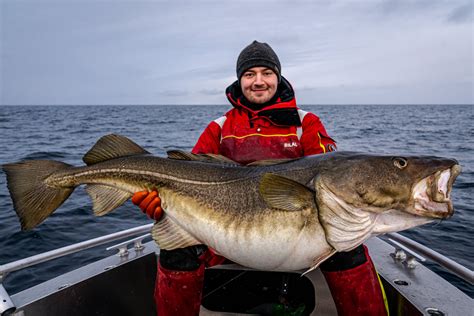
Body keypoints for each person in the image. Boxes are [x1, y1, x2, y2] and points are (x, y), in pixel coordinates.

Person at [132, 40, 388, 316]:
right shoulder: (219, 127)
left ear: (278, 76)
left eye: (266, 72)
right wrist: (160, 206)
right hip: (223, 232)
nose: (258, 81)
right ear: (239, 80)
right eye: (249, 74)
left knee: (348, 248)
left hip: (300, 233)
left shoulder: (306, 123)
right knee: (177, 252)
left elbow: (331, 178)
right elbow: (189, 177)